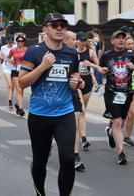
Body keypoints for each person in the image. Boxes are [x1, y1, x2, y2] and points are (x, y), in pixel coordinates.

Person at [19, 12, 82, 196]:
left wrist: (76, 81)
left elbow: (75, 74)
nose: (60, 28)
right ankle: (40, 193)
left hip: (64, 113)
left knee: (68, 158)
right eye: (55, 25)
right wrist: (42, 66)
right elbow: (22, 83)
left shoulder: (71, 53)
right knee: (40, 160)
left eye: (63, 25)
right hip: (40, 116)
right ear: (45, 29)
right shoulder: (34, 52)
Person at [98, 30, 134, 165]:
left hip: (127, 93)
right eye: (118, 38)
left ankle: (110, 133)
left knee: (121, 122)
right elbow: (101, 68)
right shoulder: (107, 56)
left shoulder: (131, 54)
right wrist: (102, 71)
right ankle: (121, 153)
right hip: (111, 92)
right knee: (116, 122)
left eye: (123, 38)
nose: (121, 40)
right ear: (112, 41)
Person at [64, 30, 86, 172]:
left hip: (72, 93)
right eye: (72, 39)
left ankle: (75, 156)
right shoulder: (56, 54)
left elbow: (75, 73)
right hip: (58, 94)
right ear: (65, 40)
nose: (75, 41)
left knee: (76, 123)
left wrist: (80, 81)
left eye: (76, 39)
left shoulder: (74, 55)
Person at [75, 31, 99, 150]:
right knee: (82, 110)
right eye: (81, 40)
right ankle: (83, 138)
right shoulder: (73, 52)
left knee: (82, 111)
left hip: (88, 80)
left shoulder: (91, 52)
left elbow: (99, 66)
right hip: (77, 81)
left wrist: (91, 64)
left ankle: (80, 134)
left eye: (85, 40)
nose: (83, 43)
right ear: (76, 40)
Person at [8, 35, 28, 116]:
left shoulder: (27, 50)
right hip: (15, 71)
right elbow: (8, 58)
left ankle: (17, 104)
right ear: (16, 42)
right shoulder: (13, 50)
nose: (20, 42)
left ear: (24, 42)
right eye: (18, 41)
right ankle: (20, 108)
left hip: (23, 71)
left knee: (21, 89)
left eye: (22, 41)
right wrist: (12, 61)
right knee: (19, 89)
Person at [0, 35, 16, 109]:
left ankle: (10, 97)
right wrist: (2, 57)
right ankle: (10, 101)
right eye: (9, 42)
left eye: (11, 41)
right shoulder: (3, 47)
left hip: (14, 67)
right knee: (9, 85)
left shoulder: (16, 47)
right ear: (6, 41)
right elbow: (1, 56)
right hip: (6, 67)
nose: (10, 43)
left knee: (13, 86)